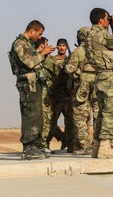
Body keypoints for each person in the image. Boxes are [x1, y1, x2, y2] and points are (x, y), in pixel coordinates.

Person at [8, 20, 55, 160]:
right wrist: (42, 53)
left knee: (37, 115)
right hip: (28, 84)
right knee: (30, 115)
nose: (39, 37)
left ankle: (36, 145)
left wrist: (41, 53)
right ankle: (28, 147)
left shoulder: (27, 44)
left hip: (34, 83)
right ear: (32, 30)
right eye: (39, 34)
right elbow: (29, 62)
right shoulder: (19, 43)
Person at [85, 8, 113, 159]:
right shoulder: (100, 34)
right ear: (101, 20)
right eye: (107, 18)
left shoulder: (90, 35)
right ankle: (104, 147)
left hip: (100, 76)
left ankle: (98, 147)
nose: (109, 21)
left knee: (103, 113)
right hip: (109, 77)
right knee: (112, 111)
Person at [65, 27, 96, 155]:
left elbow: (69, 69)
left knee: (79, 116)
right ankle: (88, 144)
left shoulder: (78, 51)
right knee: (92, 116)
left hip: (81, 87)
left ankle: (84, 145)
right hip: (96, 86)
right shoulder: (97, 50)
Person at [35, 37, 65, 153]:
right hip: (42, 94)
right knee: (46, 121)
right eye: (47, 45)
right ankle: (42, 145)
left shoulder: (47, 58)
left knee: (49, 121)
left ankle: (43, 145)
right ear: (42, 46)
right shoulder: (37, 58)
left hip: (51, 94)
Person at [48, 38, 75, 153]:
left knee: (70, 122)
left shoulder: (71, 60)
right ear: (57, 47)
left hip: (69, 95)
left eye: (64, 45)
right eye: (60, 45)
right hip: (57, 95)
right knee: (52, 122)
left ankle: (68, 144)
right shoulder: (52, 60)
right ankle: (46, 144)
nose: (62, 48)